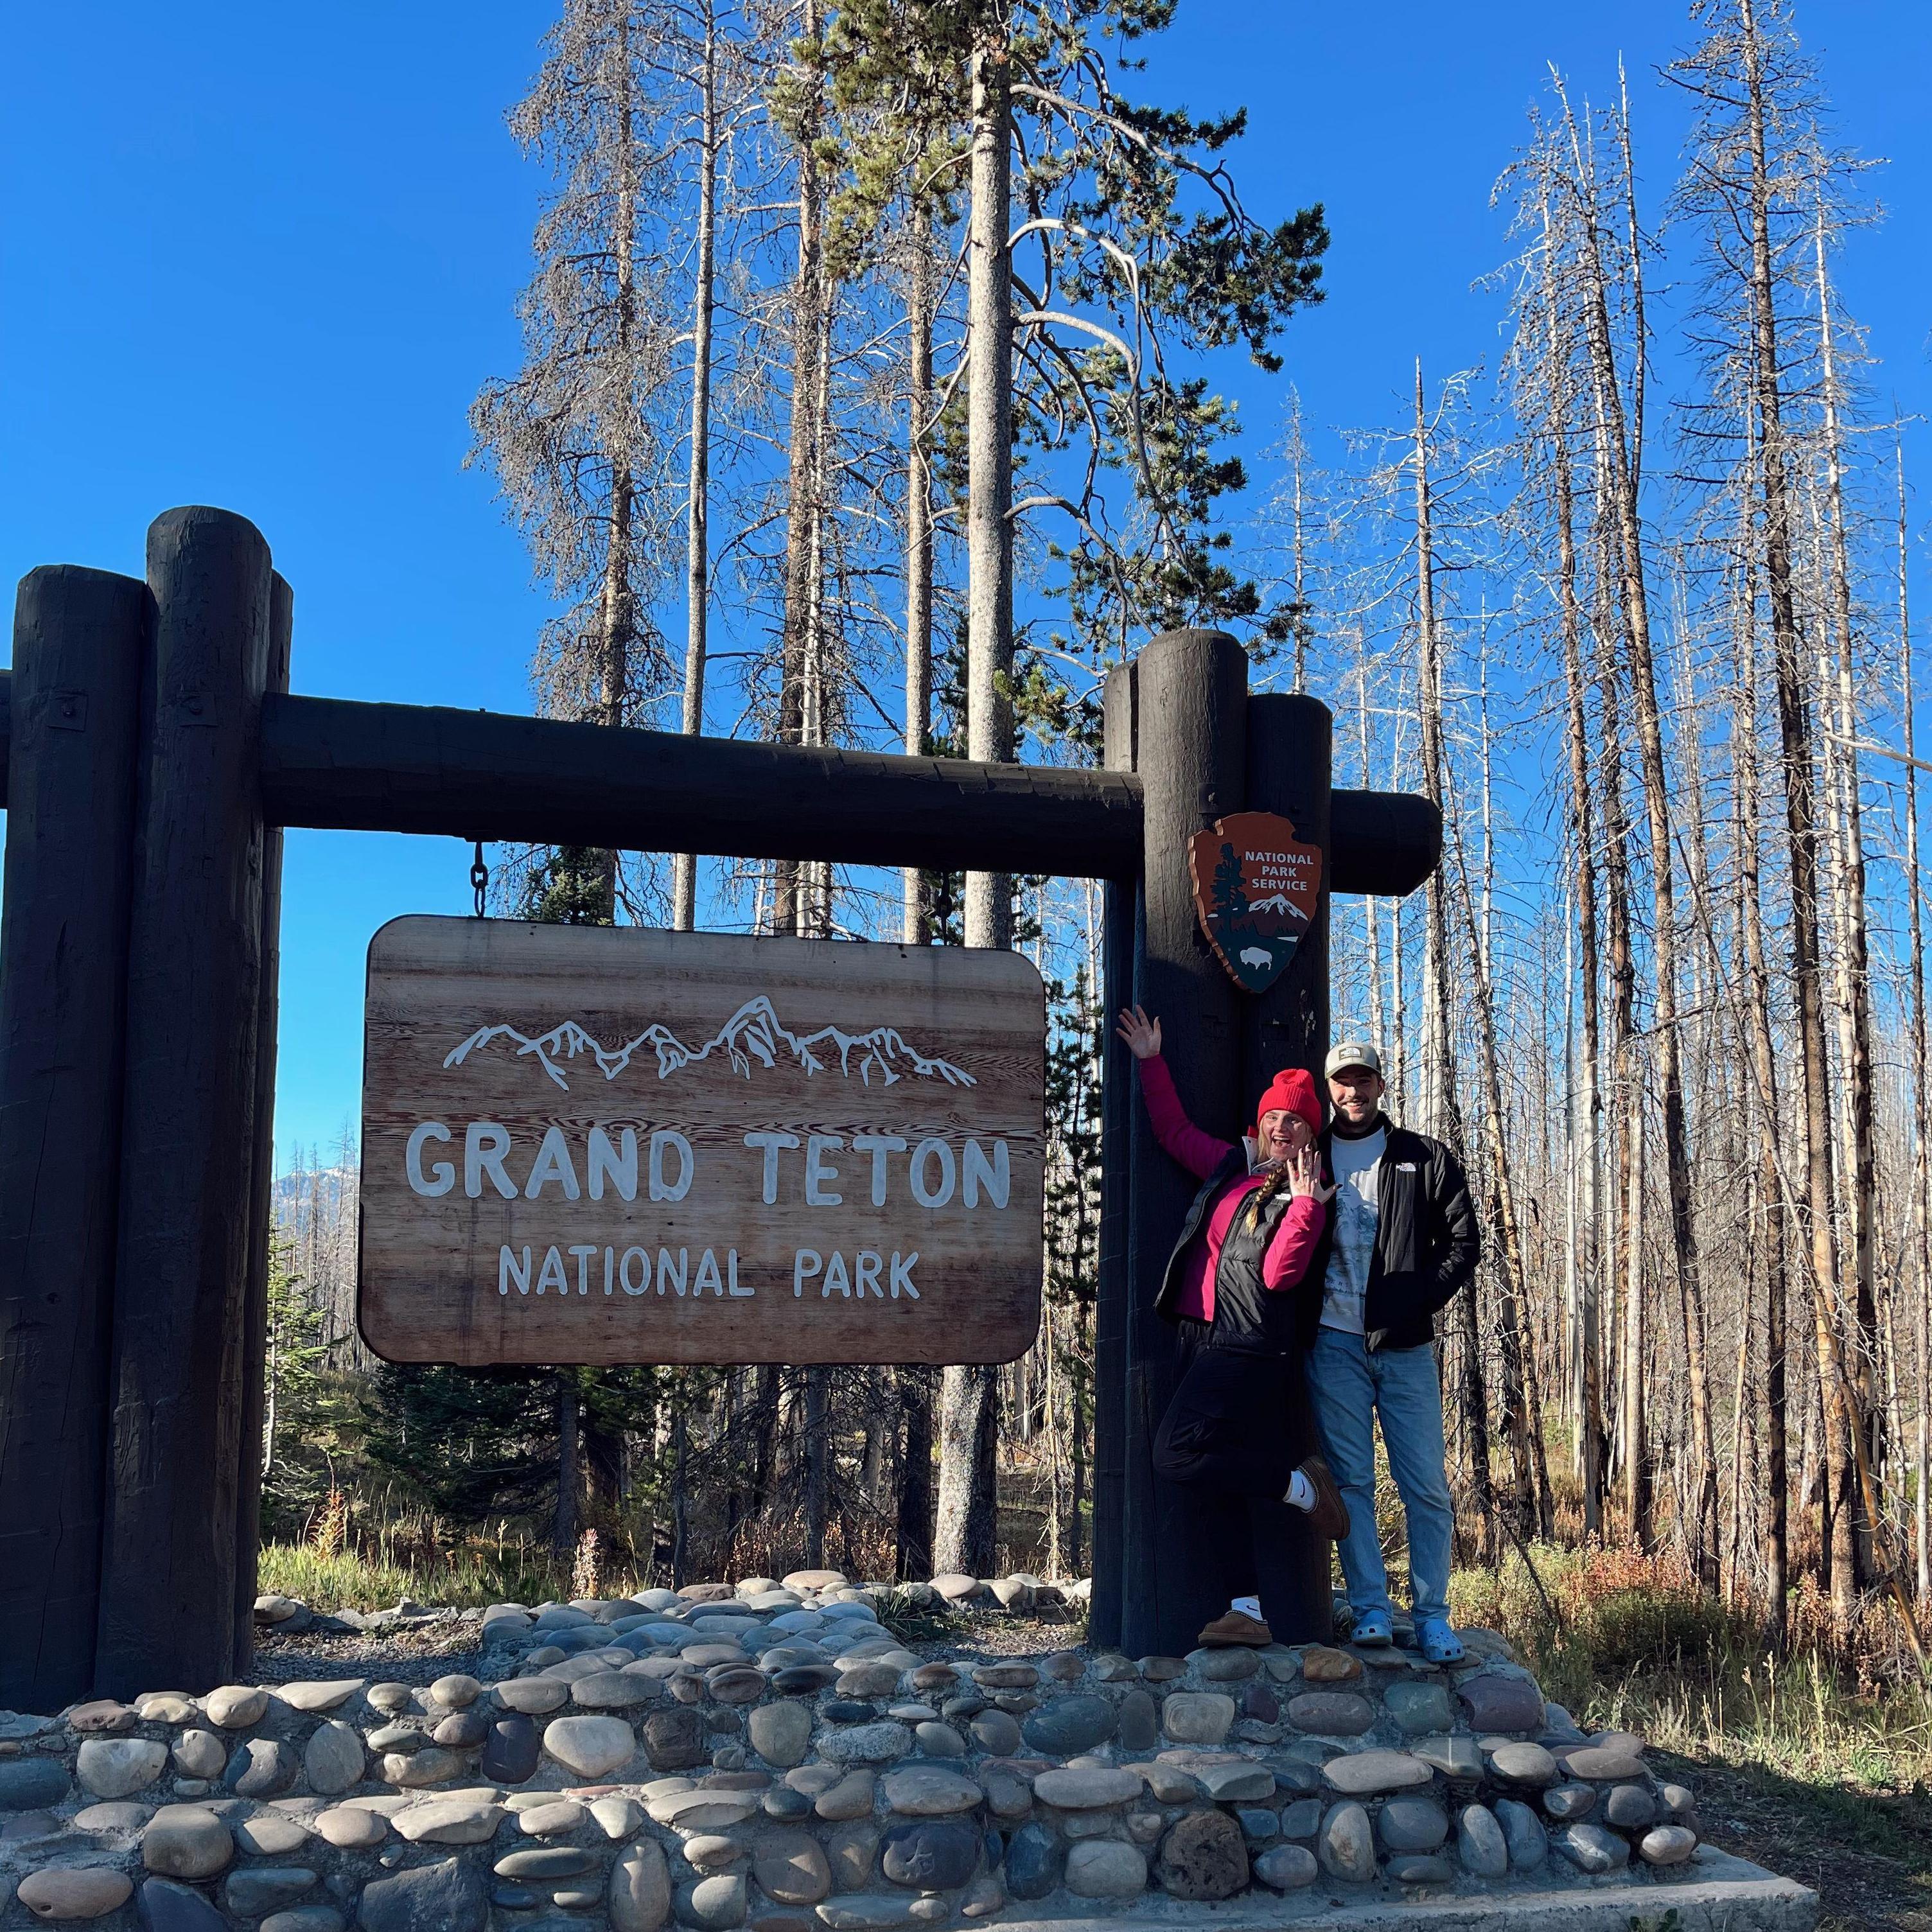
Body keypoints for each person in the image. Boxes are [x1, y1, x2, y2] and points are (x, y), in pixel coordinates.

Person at [1115, 1004, 1349, 1648]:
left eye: (1295, 1120)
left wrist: (1303, 1207)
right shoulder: (1231, 1170)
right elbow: (1171, 1131)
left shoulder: (1309, 1193)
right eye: (1274, 1116)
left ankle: (1299, 1485)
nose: (1281, 1126)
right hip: (1200, 1337)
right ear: (1260, 1122)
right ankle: (1246, 1610)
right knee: (1217, 1477)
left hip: (1247, 1347)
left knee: (1177, 1452)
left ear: (1310, 1134)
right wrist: (1151, 1060)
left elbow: (1279, 1276)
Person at [1303, 1041, 1479, 1664]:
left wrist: (1417, 1299)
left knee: (1425, 1486)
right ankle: (1371, 1608)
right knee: (1350, 1482)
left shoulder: (1421, 1155)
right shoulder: (1310, 1156)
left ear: (1380, 1084)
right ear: (1329, 1089)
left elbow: (1463, 1240)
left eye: (1362, 1079)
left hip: (1403, 1347)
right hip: (1331, 1343)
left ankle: (1432, 1617)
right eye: (1341, 1081)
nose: (1352, 1090)